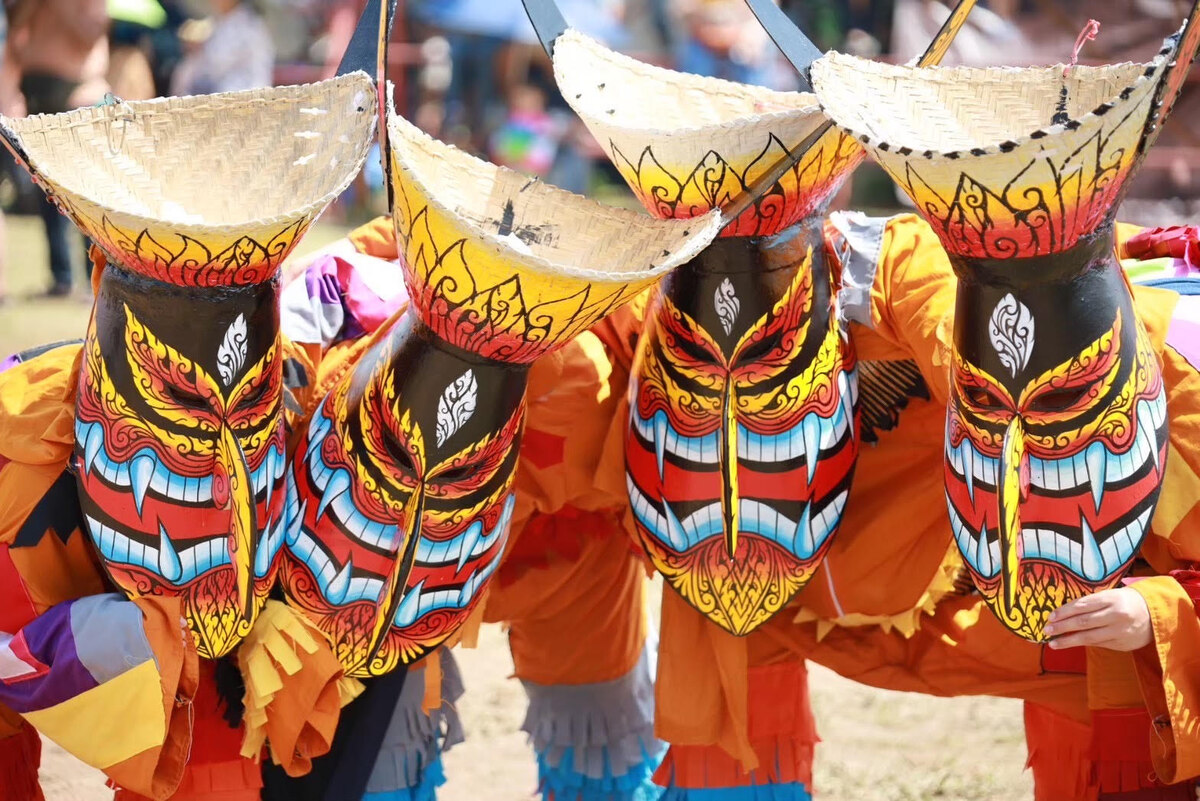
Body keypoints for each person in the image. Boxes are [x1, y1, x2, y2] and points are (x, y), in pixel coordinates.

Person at [3, 0, 110, 298]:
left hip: (78, 93)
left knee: (85, 193)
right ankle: (61, 277)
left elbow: (90, 35)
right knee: (46, 193)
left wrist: (61, 7)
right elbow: (15, 28)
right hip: (38, 92)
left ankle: (95, 275)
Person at [170, 0, 274, 96]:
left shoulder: (249, 23)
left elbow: (219, 63)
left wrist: (202, 48)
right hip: (221, 94)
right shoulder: (219, 22)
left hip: (245, 95)